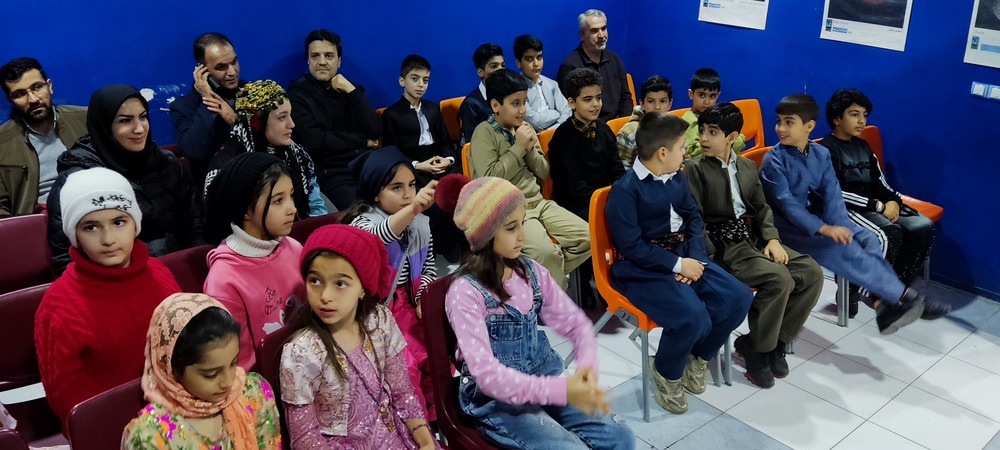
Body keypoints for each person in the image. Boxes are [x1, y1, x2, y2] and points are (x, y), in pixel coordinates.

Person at [433, 174, 634, 449]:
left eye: (522, 223)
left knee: (621, 437)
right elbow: (488, 377)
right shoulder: (465, 293)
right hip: (497, 401)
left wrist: (586, 370)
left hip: (543, 379)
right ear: (485, 234)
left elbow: (576, 325)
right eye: (511, 228)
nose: (522, 236)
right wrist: (561, 390)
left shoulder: (531, 271)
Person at [759, 94, 950, 336]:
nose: (780, 128)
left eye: (789, 122)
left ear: (809, 126)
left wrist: (842, 225)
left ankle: (884, 303)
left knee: (868, 239)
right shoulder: (773, 160)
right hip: (786, 228)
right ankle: (901, 297)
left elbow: (832, 195)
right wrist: (825, 229)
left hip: (816, 218)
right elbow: (787, 206)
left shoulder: (820, 154)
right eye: (779, 122)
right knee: (840, 248)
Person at [606, 111, 753, 414]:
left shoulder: (677, 176)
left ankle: (696, 357)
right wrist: (677, 265)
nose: (686, 151)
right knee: (693, 317)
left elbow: (694, 216)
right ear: (663, 153)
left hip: (684, 255)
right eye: (682, 146)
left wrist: (694, 258)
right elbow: (632, 247)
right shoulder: (625, 190)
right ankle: (665, 371)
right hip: (640, 269)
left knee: (738, 297)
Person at [685, 103, 823, 388]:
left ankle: (774, 343)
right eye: (702, 131)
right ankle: (758, 351)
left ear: (732, 137)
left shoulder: (746, 166)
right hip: (723, 247)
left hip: (751, 239)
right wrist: (710, 258)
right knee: (779, 279)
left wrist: (772, 238)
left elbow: (762, 208)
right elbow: (694, 219)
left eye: (713, 132)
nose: (704, 138)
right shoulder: (695, 169)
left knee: (811, 272)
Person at [35, 167, 181, 422]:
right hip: (116, 426)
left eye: (118, 222)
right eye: (91, 227)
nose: (108, 239)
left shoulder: (158, 272)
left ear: (135, 224)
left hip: (179, 411)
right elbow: (65, 396)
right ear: (75, 234)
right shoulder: (59, 305)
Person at [279, 224, 439, 449]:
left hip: (397, 435)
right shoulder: (301, 353)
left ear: (363, 287)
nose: (325, 296)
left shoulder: (379, 320)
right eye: (315, 281)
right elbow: (305, 439)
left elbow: (403, 392)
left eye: (340, 283)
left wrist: (424, 439)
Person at [46, 84, 202, 273]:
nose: (139, 128)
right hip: (113, 279)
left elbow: (195, 225)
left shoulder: (166, 162)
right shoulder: (78, 178)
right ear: (105, 126)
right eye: (125, 120)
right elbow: (65, 257)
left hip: (175, 269)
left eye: (143, 117)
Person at [468, 69, 590, 289]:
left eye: (524, 102)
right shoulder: (484, 133)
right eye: (515, 103)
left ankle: (542, 277)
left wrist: (531, 149)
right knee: (547, 253)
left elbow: (543, 172)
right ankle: (553, 291)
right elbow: (489, 180)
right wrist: (518, 147)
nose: (523, 110)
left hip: (539, 204)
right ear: (495, 105)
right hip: (511, 213)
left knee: (589, 237)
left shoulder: (525, 128)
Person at [342, 147, 439, 421]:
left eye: (412, 185)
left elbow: (429, 266)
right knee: (405, 367)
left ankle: (437, 418)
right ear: (376, 193)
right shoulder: (362, 223)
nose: (408, 194)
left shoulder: (420, 223)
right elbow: (379, 236)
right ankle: (414, 426)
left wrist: (423, 296)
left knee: (437, 353)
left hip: (409, 305)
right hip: (376, 312)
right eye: (397, 187)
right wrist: (414, 209)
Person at [820, 88, 936, 317]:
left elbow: (880, 181)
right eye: (854, 114)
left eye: (864, 115)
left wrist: (892, 201)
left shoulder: (863, 147)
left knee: (923, 228)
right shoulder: (825, 150)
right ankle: (855, 289)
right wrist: (878, 206)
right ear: (836, 118)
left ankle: (893, 289)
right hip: (845, 209)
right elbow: (834, 192)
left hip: (874, 205)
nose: (861, 121)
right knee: (889, 234)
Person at [121, 293, 282, 449]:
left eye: (233, 364)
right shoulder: (152, 434)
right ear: (172, 370)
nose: (228, 382)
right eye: (211, 374)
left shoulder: (253, 392)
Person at [203, 152, 305, 370]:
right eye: (278, 201)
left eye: (291, 196)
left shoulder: (293, 247)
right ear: (246, 210)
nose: (292, 209)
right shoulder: (224, 280)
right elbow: (241, 364)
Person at [205, 79, 327, 218]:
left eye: (290, 115)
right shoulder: (228, 166)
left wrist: (314, 229)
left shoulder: (296, 154)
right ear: (257, 123)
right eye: (281, 118)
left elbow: (316, 206)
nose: (292, 124)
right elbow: (221, 220)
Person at [288, 29, 381, 210]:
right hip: (331, 173)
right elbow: (316, 140)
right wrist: (362, 141)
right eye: (315, 56)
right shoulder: (297, 95)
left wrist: (353, 92)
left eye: (329, 56)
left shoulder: (348, 88)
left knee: (404, 202)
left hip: (366, 165)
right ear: (308, 60)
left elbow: (375, 128)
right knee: (362, 214)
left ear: (339, 61)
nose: (322, 62)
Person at [0, 57, 87, 216]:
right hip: (37, 220)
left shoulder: (85, 120)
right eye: (20, 94)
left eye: (37, 87)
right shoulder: (3, 142)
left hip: (91, 208)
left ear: (49, 86)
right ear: (10, 100)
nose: (33, 99)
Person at [549, 67, 626, 221]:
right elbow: (575, 186)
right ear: (572, 103)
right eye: (587, 99)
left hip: (603, 195)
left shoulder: (604, 129)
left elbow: (617, 169)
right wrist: (604, 200)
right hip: (575, 202)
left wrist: (620, 192)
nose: (596, 104)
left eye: (599, 98)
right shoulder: (562, 138)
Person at [169, 33, 246, 184]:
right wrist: (208, 97)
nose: (232, 72)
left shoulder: (251, 92)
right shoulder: (183, 107)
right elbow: (193, 152)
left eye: (234, 62)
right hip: (217, 186)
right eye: (221, 67)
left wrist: (234, 120)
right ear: (203, 71)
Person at [381, 54, 458, 181]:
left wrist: (448, 160)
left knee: (462, 182)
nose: (421, 85)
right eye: (415, 79)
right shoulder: (392, 114)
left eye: (425, 80)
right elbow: (391, 152)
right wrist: (416, 165)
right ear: (402, 81)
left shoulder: (433, 108)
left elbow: (446, 143)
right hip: (412, 166)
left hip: (439, 161)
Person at [556, 9, 632, 122]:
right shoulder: (570, 66)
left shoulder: (614, 59)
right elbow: (571, 109)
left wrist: (626, 124)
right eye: (594, 31)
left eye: (604, 29)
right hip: (590, 127)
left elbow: (625, 97)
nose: (601, 35)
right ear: (582, 35)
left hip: (617, 124)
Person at [681, 68, 745, 159]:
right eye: (702, 95)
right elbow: (693, 155)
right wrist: (725, 142)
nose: (707, 101)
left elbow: (738, 142)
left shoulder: (718, 117)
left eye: (712, 96)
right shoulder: (688, 121)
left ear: (718, 95)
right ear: (691, 94)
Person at [513, 34, 571, 132]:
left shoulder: (552, 84)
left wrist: (551, 130)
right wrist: (556, 113)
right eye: (529, 59)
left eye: (539, 57)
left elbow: (568, 113)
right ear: (518, 63)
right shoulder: (516, 89)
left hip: (557, 134)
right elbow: (535, 121)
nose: (536, 64)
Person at [616, 75, 673, 168]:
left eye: (663, 101)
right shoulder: (628, 133)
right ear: (642, 103)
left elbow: (684, 161)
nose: (657, 107)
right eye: (651, 101)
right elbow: (623, 171)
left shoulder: (676, 128)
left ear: (670, 103)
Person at [458, 43, 505, 144]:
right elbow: (472, 143)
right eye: (494, 66)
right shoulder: (470, 104)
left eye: (503, 65)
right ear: (480, 72)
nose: (500, 70)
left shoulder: (508, 95)